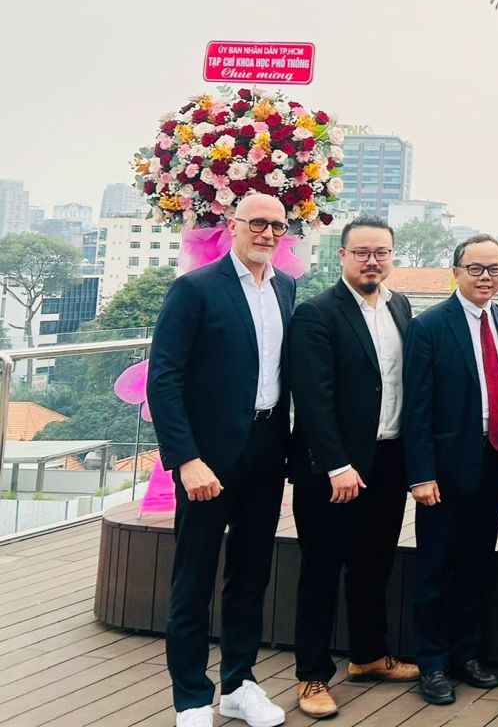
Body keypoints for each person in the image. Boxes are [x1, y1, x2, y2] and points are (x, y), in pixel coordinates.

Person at [148, 192, 296, 727]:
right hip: (207, 457)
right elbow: (163, 378)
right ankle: (190, 697)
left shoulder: (286, 287)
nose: (268, 233)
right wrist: (186, 459)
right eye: (257, 223)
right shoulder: (196, 288)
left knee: (251, 575)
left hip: (267, 448)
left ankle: (238, 683)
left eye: (277, 225)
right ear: (233, 225)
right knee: (193, 578)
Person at [287, 216, 420, 719]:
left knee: (374, 564)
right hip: (334, 470)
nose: (372, 261)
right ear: (342, 256)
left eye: (381, 252)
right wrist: (336, 464)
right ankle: (312, 675)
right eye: (362, 252)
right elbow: (312, 399)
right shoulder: (317, 313)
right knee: (321, 571)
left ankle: (368, 656)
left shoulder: (400, 306)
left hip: (388, 459)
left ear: (391, 256)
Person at [402, 234, 498, 706]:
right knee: (436, 570)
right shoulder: (429, 326)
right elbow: (416, 407)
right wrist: (421, 474)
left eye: (494, 269)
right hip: (444, 472)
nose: (485, 277)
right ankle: (432, 663)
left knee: (476, 565)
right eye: (476, 268)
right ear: (456, 272)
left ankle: (466, 655)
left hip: (492, 462)